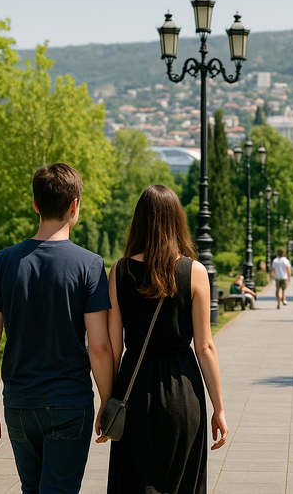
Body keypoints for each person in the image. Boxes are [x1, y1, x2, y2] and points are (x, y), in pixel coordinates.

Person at [0, 163, 114, 493]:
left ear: (35, 204)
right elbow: (99, 346)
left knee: (32, 489)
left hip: (20, 403)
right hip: (70, 402)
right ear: (75, 205)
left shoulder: (3, 262)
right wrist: (109, 402)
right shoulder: (90, 265)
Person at [101, 185, 228, 493]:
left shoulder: (119, 271)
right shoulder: (194, 271)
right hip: (183, 390)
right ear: (176, 220)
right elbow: (205, 347)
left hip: (134, 388)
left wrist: (107, 403)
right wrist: (218, 408)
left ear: (139, 220)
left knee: (133, 483)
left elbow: (112, 348)